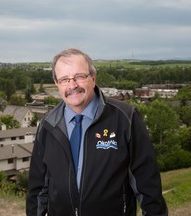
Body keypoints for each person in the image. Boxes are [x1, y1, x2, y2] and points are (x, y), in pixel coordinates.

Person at [26, 48, 168, 216]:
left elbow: (147, 184)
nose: (72, 86)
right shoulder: (48, 125)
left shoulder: (125, 118)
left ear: (93, 78)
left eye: (79, 76)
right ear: (57, 84)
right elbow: (37, 189)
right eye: (64, 79)